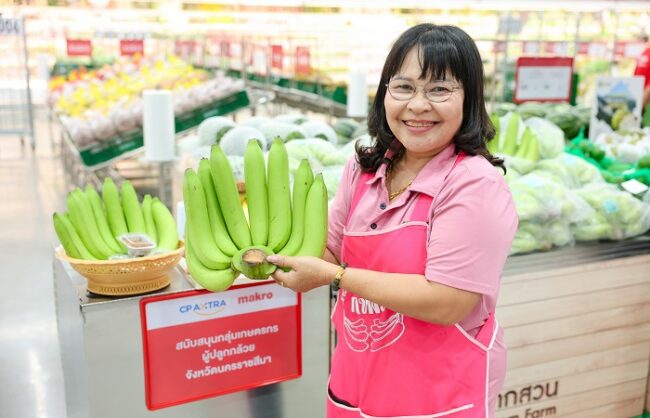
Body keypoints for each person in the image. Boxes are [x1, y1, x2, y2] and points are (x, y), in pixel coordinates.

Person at [267, 23, 518, 418]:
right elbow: (329, 250)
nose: (417, 105)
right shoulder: (364, 169)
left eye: (439, 89)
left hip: (437, 394)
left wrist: (335, 276)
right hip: (357, 381)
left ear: (470, 99)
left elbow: (448, 302)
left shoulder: (474, 184)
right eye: (404, 87)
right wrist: (269, 249)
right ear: (385, 93)